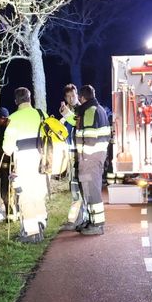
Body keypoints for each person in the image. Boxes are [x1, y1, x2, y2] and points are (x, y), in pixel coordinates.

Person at [1, 87, 48, 243]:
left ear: (16, 101)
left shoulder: (13, 119)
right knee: (38, 194)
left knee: (26, 197)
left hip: (25, 162)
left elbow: (7, 149)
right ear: (30, 99)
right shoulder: (41, 114)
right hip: (42, 161)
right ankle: (41, 225)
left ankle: (31, 233)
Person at [71, 84, 110, 235]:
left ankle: (97, 225)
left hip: (89, 159)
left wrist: (83, 158)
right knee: (89, 190)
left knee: (92, 191)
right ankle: (92, 221)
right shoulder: (98, 109)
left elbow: (89, 137)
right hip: (96, 157)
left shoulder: (89, 111)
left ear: (81, 97)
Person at [58, 84, 88, 231]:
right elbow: (60, 130)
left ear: (78, 95)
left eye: (73, 95)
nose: (71, 98)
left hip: (81, 155)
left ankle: (84, 218)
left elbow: (78, 123)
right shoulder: (66, 113)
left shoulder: (82, 109)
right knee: (74, 188)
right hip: (70, 155)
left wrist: (66, 114)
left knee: (83, 187)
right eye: (68, 96)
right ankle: (74, 220)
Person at [0, 107, 14, 220]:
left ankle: (12, 213)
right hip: (4, 164)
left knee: (10, 189)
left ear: (3, 118)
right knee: (4, 190)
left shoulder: (11, 128)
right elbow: (2, 147)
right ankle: (9, 212)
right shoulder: (2, 128)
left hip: (11, 164)